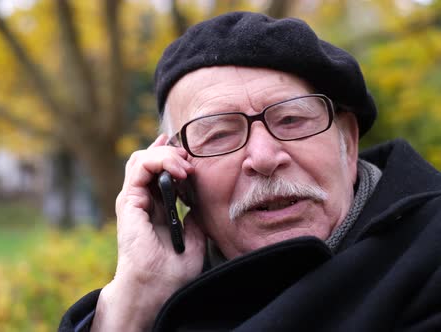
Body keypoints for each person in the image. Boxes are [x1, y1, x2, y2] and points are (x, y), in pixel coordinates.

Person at [59, 11, 441, 332]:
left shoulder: (428, 255)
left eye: (291, 120)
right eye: (220, 135)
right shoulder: (161, 299)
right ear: (175, 179)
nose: (263, 157)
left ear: (348, 142)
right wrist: (131, 303)